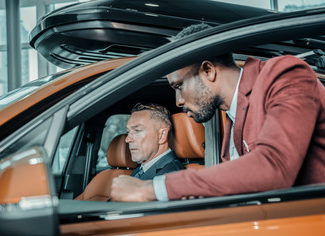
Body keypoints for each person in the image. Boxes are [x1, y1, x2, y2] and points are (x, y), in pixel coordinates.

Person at [110, 23, 325, 202]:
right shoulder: (230, 124)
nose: (179, 101)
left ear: (208, 71)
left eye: (179, 87)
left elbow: (274, 167)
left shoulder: (285, 74)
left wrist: (151, 189)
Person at [126, 103, 185, 180]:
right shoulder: (141, 169)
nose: (127, 139)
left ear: (162, 135)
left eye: (137, 130)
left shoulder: (171, 178)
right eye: (128, 132)